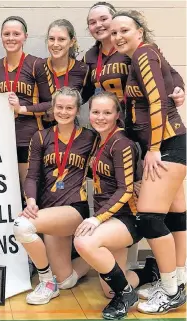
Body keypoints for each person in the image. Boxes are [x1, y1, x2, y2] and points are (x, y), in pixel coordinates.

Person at [110, 10, 186, 314]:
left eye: (124, 30)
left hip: (166, 144)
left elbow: (157, 101)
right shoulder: (146, 55)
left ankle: (171, 290)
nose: (118, 37)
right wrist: (179, 86)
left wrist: (153, 147)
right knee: (176, 215)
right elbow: (173, 78)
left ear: (140, 31)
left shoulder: (144, 53)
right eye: (114, 32)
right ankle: (178, 278)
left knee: (150, 218)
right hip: (170, 142)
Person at [13, 87, 97, 305]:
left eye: (70, 107)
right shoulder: (41, 137)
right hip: (49, 210)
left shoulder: (90, 137)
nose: (64, 112)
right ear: (52, 108)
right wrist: (30, 201)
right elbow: (31, 176)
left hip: (73, 209)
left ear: (78, 110)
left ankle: (46, 283)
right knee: (66, 280)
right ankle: (91, 257)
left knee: (22, 226)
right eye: (59, 107)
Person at [74, 92, 142, 319]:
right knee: (107, 290)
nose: (100, 117)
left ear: (117, 115)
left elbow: (126, 189)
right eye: (95, 112)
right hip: (109, 218)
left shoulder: (121, 143)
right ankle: (149, 272)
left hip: (126, 219)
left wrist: (96, 218)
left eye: (107, 112)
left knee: (83, 241)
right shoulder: (99, 139)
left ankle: (126, 294)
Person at [82, 2, 185, 115]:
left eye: (103, 19)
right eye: (92, 22)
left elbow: (169, 72)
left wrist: (178, 88)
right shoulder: (89, 57)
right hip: (109, 121)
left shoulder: (137, 48)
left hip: (140, 119)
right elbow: (84, 90)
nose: (98, 25)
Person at [0, 16, 50, 187]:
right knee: (8, 192)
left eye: (16, 34)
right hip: (3, 138)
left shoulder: (37, 64)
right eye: (6, 34)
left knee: (28, 192)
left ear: (25, 36)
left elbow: (50, 103)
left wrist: (22, 108)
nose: (11, 38)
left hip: (29, 138)